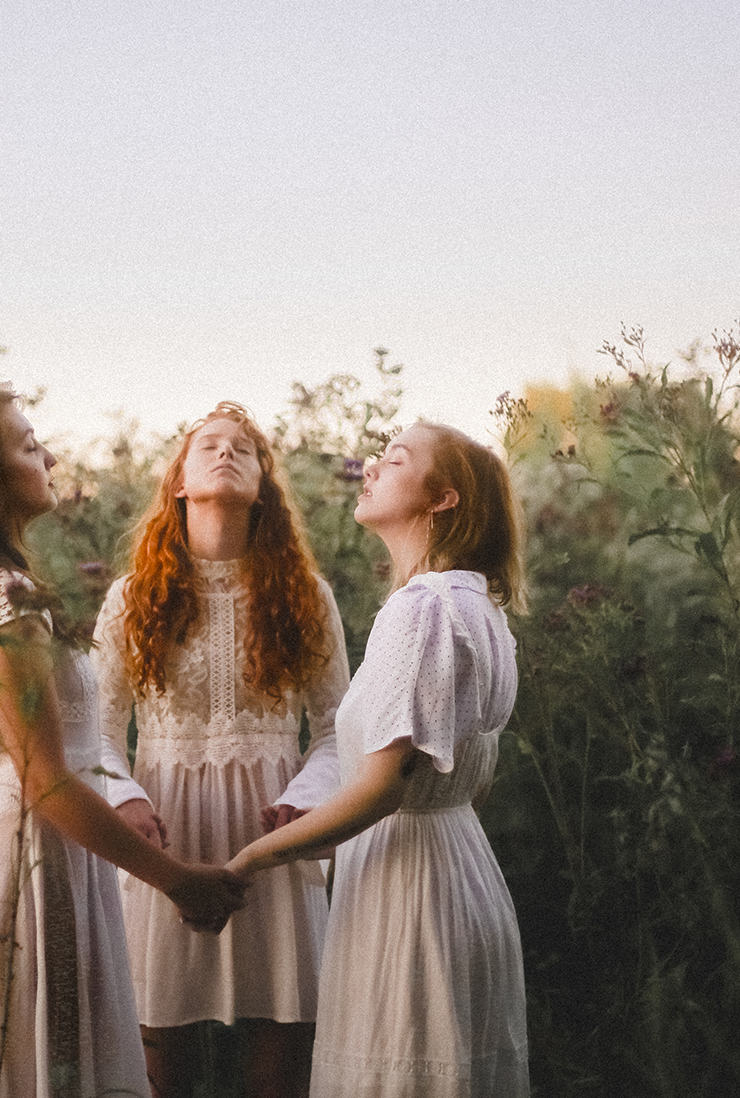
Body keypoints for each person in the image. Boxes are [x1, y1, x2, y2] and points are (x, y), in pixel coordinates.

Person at [0, 386, 248, 1098]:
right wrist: (178, 879)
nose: (48, 455)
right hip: (26, 876)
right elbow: (45, 782)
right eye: (27, 445)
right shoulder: (6, 603)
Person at [226, 422, 530, 1097]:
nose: (369, 467)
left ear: (442, 499)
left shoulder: (422, 609)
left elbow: (383, 789)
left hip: (412, 897)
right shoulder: (479, 605)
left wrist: (255, 857)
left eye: (394, 460)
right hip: (460, 869)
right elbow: (458, 781)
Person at [92, 403, 350, 1098]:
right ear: (178, 481)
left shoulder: (306, 596)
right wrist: (126, 796)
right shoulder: (131, 597)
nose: (226, 453)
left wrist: (306, 798)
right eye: (208, 444)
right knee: (158, 1045)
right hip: (167, 837)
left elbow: (335, 732)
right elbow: (97, 731)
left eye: (244, 448)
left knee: (282, 1043)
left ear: (264, 485)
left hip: (274, 835)